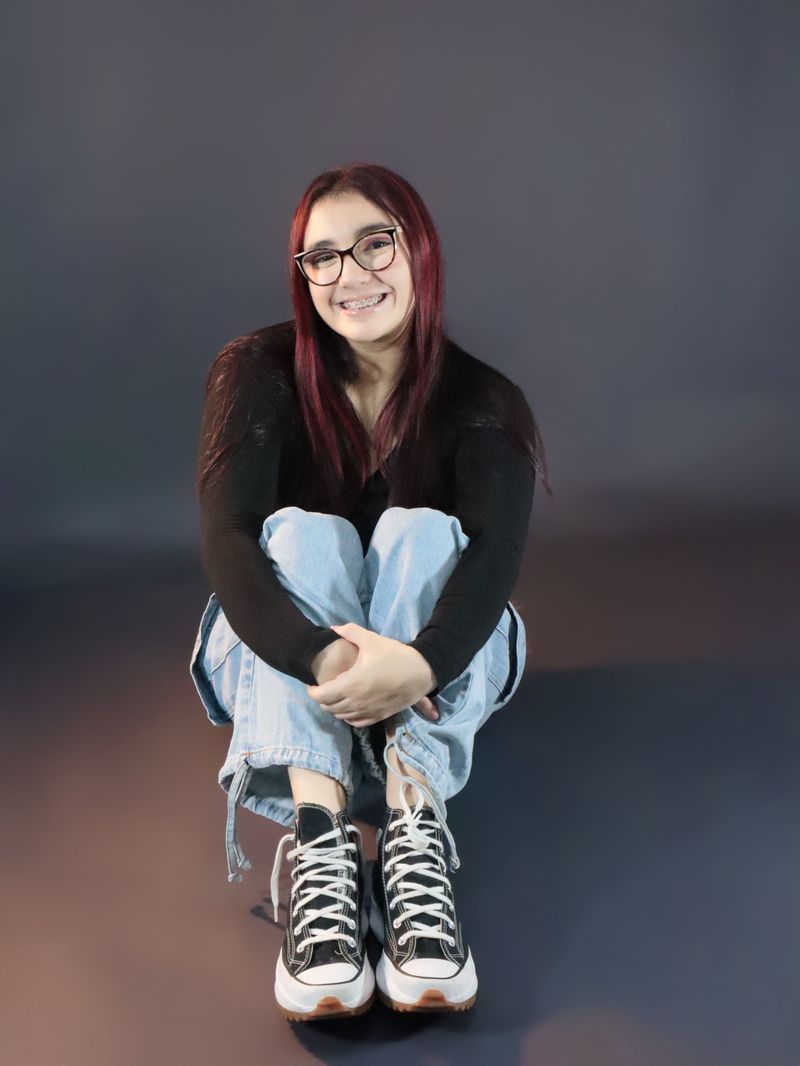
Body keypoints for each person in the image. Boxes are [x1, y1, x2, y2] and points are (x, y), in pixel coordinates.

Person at [189, 162, 552, 1021]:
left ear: (419, 249)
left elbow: (494, 562)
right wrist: (322, 656)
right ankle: (321, 838)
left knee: (422, 532)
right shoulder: (256, 371)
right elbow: (229, 541)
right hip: (291, 671)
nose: (350, 274)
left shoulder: (485, 401)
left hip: (434, 678)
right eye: (323, 256)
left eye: (374, 244)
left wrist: (421, 665)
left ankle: (414, 830)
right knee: (298, 535)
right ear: (303, 273)